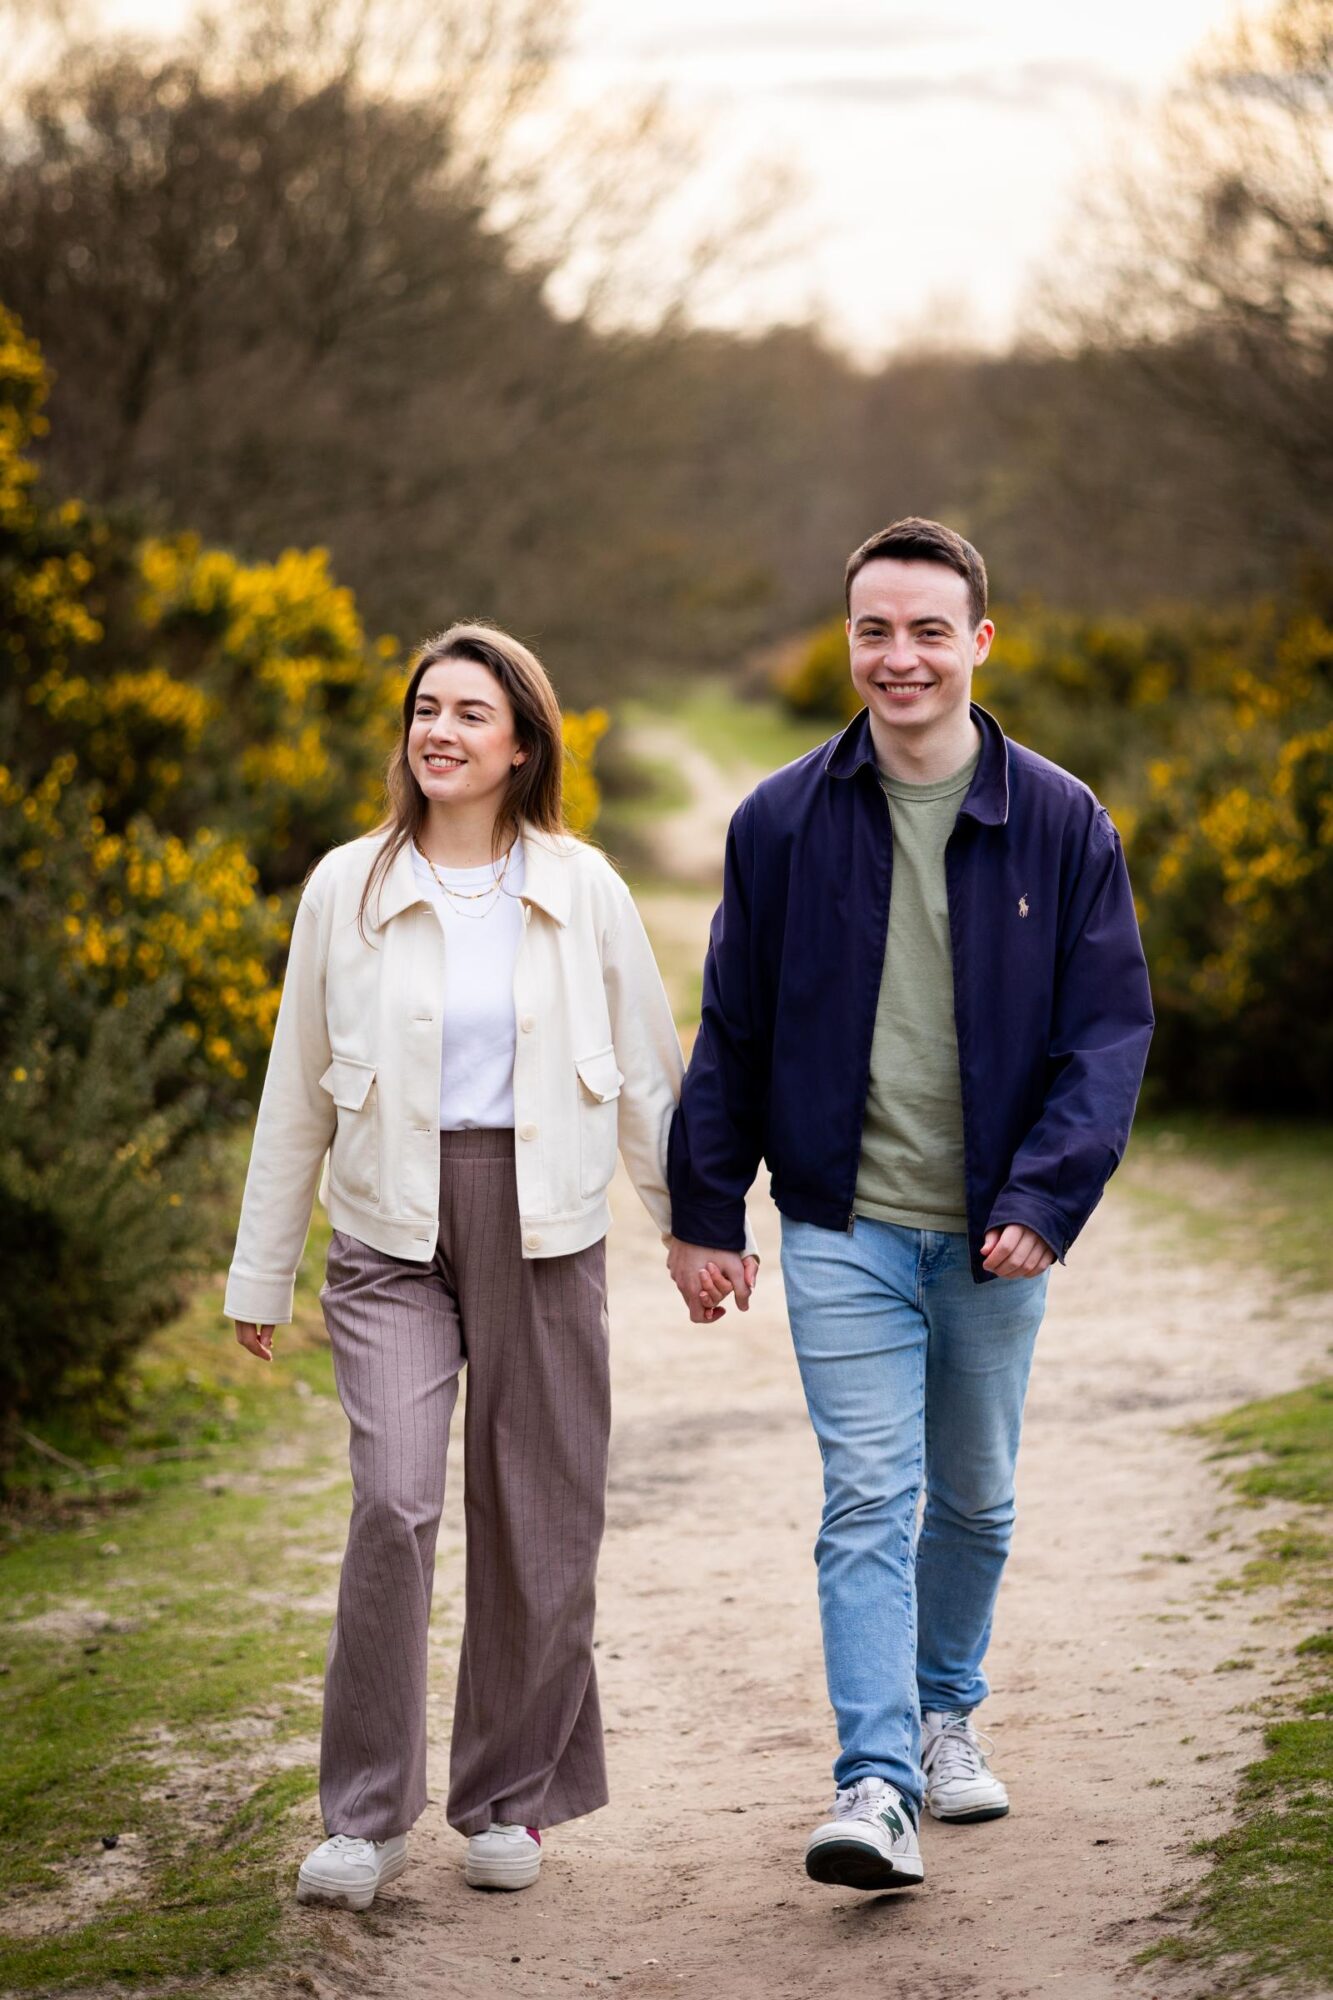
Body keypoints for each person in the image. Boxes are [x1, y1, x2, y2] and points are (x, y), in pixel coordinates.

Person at [666, 518, 1153, 1893]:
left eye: (929, 630)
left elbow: (1107, 1034)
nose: (901, 657)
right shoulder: (778, 822)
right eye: (874, 630)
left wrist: (1045, 1198)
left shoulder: (1060, 820)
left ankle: (947, 1714)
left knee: (976, 1501)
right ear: (848, 641)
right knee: (869, 1496)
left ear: (978, 641)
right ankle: (874, 1783)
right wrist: (706, 1210)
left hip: (997, 1235)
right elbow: (732, 1028)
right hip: (843, 1224)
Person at [224, 621, 704, 1906]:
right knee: (393, 1499)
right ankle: (364, 1816)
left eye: (469, 713)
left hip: (545, 1223)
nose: (439, 731)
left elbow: (648, 1077)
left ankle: (509, 1796)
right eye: (425, 709)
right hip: (388, 1229)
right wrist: (261, 1270)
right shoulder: (346, 884)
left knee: (540, 1511)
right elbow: (293, 1090)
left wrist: (692, 1228)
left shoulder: (585, 885)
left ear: (522, 744)